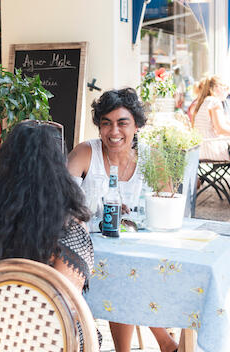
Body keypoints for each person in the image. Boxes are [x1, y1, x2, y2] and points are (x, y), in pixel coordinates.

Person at [0, 120, 100, 349]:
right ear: (59, 170)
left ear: (4, 164)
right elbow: (67, 308)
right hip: (20, 340)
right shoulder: (67, 233)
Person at [67, 88, 178, 352]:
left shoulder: (151, 158)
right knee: (124, 273)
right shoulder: (86, 153)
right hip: (87, 248)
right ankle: (165, 343)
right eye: (106, 123)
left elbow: (167, 201)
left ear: (137, 125)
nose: (114, 131)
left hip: (134, 249)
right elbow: (61, 200)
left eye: (122, 123)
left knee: (133, 270)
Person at [193, 75, 230, 161]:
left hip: (202, 149)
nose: (228, 92)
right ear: (217, 87)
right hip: (213, 149)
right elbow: (220, 129)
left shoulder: (205, 101)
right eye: (226, 88)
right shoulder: (214, 102)